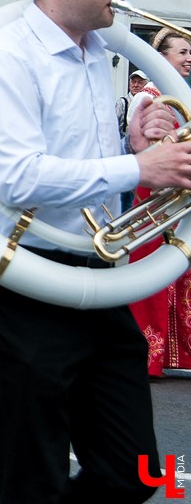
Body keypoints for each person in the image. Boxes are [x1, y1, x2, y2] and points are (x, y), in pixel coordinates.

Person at [0, 0, 188, 503]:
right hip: (27, 285)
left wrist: (132, 147)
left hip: (96, 279)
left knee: (138, 472)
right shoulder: (7, 56)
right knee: (33, 480)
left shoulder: (94, 51)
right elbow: (18, 177)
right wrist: (139, 168)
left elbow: (74, 156)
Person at [126, 29, 191, 378]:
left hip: (174, 190)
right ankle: (145, 355)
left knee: (176, 271)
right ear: (161, 56)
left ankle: (168, 354)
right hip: (153, 191)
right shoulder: (148, 97)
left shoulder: (179, 94)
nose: (189, 58)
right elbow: (141, 146)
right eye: (182, 52)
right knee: (151, 270)